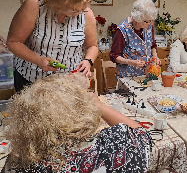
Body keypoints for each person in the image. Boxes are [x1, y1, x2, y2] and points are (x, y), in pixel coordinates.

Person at [4, 73, 152, 172]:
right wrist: (100, 107)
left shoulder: (17, 164)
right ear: (82, 112)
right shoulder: (114, 147)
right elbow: (142, 135)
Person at [7, 0, 98, 92]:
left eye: (81, 10)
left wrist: (88, 61)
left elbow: (92, 46)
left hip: (69, 81)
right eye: (73, 10)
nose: (77, 14)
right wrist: (38, 60)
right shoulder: (35, 5)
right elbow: (13, 42)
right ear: (60, 0)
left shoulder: (85, 13)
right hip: (33, 80)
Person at [110, 0, 160, 78]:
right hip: (127, 76)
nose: (150, 23)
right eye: (147, 21)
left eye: (151, 21)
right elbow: (114, 56)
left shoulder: (149, 26)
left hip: (146, 74)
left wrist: (154, 56)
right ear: (138, 19)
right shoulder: (123, 30)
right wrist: (131, 62)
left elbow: (152, 45)